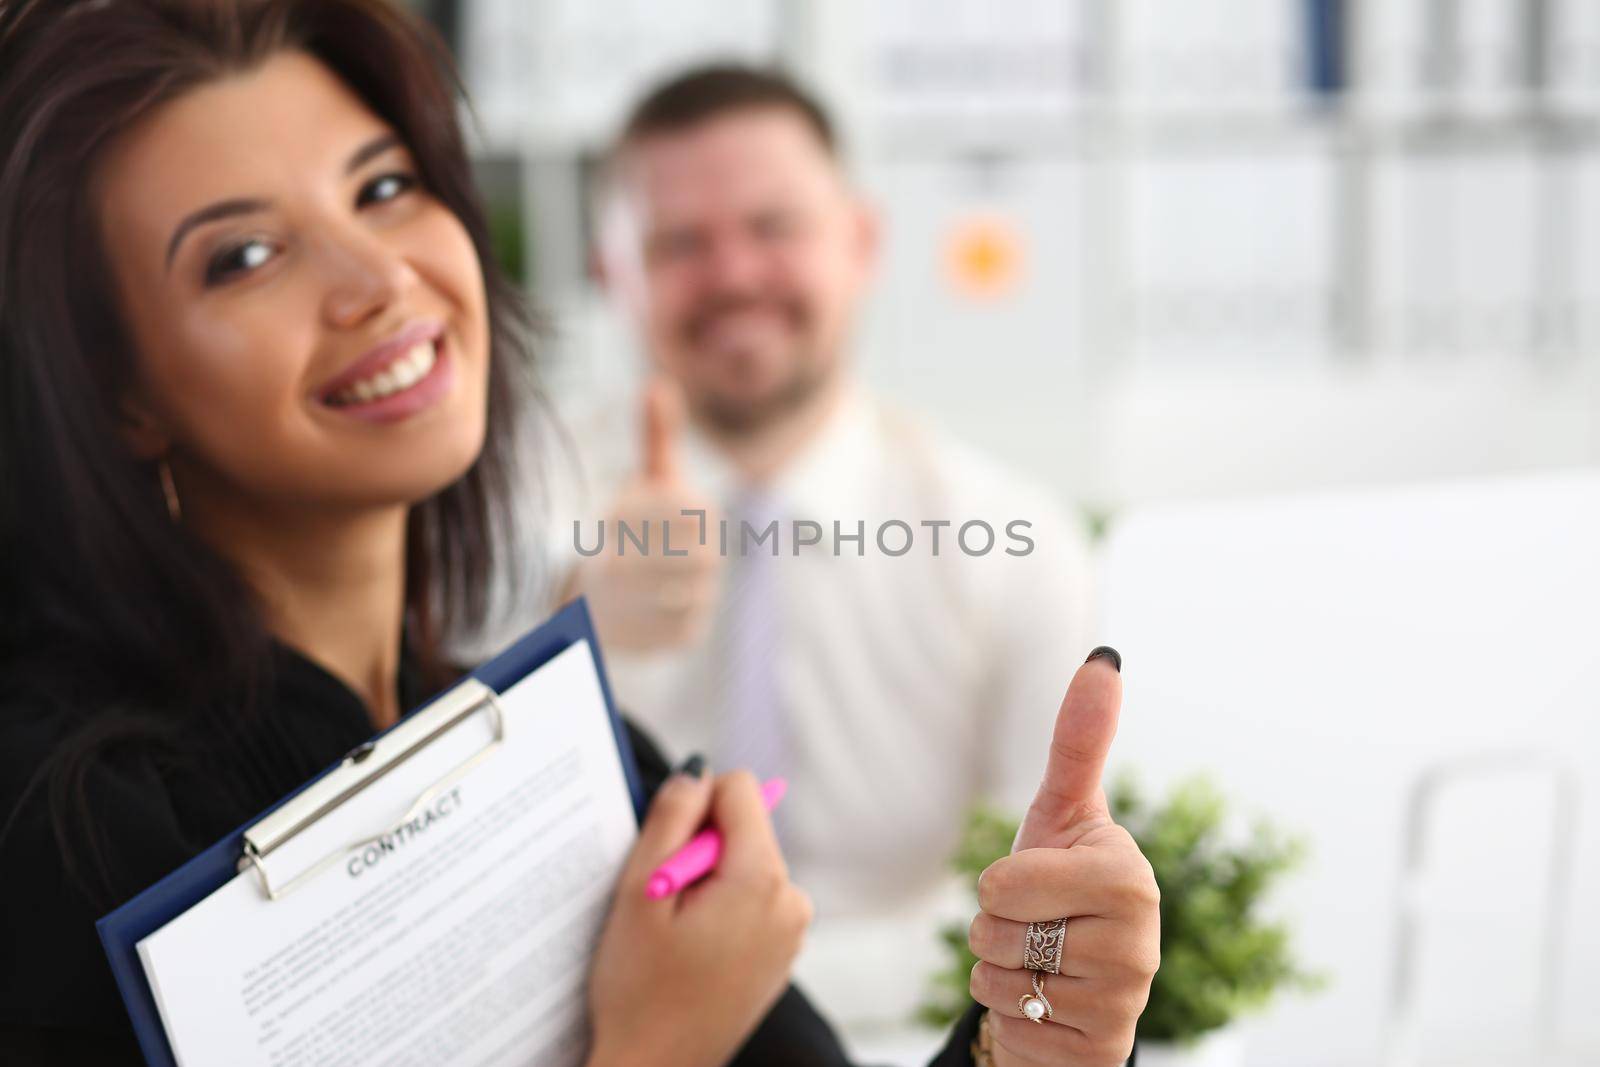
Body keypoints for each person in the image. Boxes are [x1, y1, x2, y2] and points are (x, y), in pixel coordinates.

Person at [0, 2, 1158, 1066]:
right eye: (243, 255)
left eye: (384, 187)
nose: (378, 278)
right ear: (114, 389)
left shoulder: (575, 755)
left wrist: (1037, 1033)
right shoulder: (66, 825)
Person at [515, 65, 1098, 1025]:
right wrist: (563, 613)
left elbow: (1044, 906)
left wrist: (747, 992)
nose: (735, 275)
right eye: (679, 244)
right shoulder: (515, 509)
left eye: (773, 227)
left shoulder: (1019, 544)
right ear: (609, 272)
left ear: (860, 241)